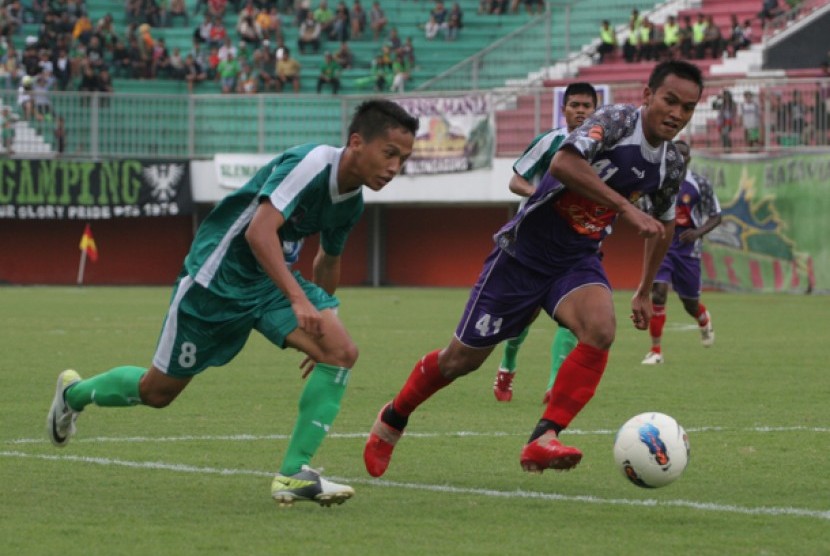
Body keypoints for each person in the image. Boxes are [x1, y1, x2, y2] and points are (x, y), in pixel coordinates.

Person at [46, 99, 419, 507]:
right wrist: (299, 300)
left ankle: (294, 473)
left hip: (267, 284)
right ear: (356, 143)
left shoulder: (351, 202)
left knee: (343, 352)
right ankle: (74, 394)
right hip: (215, 281)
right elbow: (258, 233)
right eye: (390, 154)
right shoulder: (312, 164)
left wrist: (323, 320)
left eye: (403, 159)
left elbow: (327, 260)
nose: (394, 167)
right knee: (157, 391)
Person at [363, 60, 703, 478]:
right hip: (521, 255)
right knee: (460, 361)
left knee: (600, 330)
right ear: (648, 95)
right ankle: (394, 418)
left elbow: (665, 224)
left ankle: (543, 437)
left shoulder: (670, 164)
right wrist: (624, 207)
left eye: (688, 108)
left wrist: (644, 288)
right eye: (670, 101)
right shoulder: (615, 121)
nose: (676, 114)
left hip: (576, 261)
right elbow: (562, 164)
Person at [493, 82, 598, 404]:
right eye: (574, 105)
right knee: (524, 316)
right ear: (564, 109)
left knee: (572, 315)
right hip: (534, 241)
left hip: (575, 243)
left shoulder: (603, 150)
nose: (580, 111)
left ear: (596, 110)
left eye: (586, 106)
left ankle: (555, 386)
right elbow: (516, 180)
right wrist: (541, 196)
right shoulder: (549, 142)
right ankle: (507, 367)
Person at [642, 140, 721, 365]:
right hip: (663, 244)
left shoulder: (700, 184)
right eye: (675, 153)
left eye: (684, 154)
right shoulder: (656, 182)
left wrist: (697, 233)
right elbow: (646, 209)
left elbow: (716, 215)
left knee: (690, 303)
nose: (680, 157)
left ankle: (703, 318)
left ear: (689, 159)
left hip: (688, 249)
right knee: (658, 292)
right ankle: (655, 351)